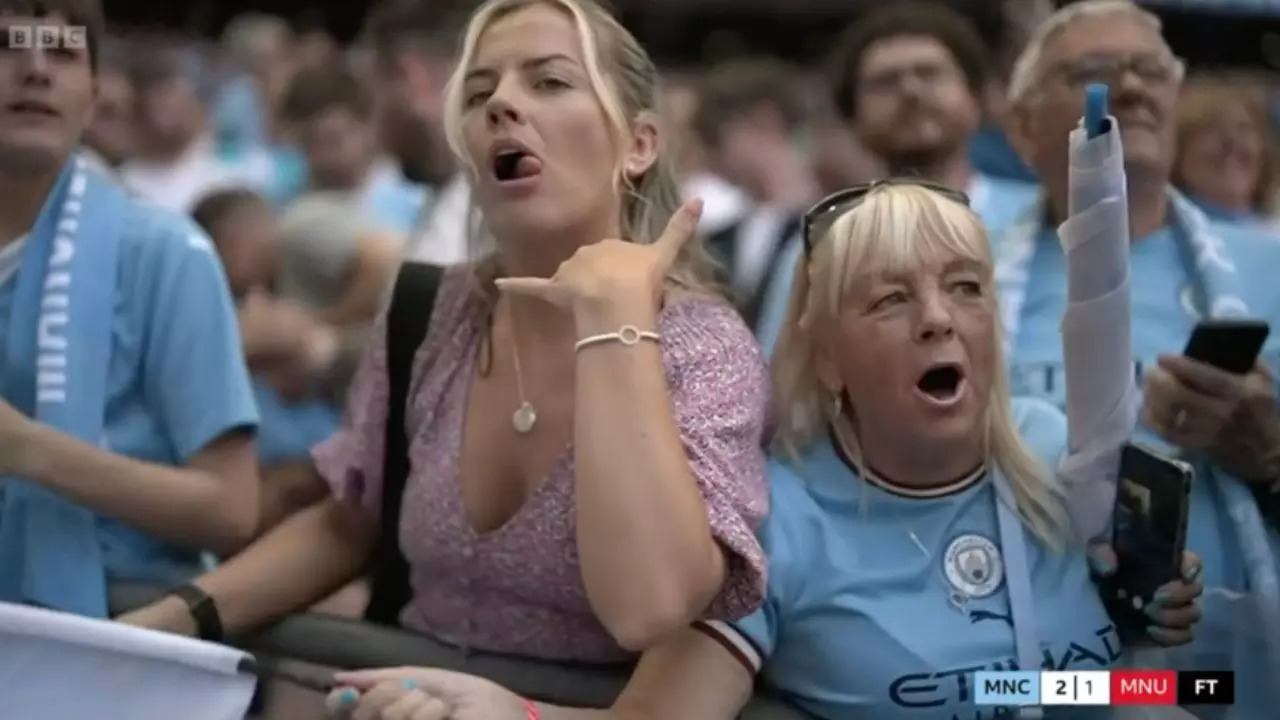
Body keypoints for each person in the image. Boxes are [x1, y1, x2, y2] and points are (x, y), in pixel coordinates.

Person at [321, 180, 1203, 720]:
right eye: (890, 299)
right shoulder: (775, 520)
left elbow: (1129, 693)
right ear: (825, 355)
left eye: (965, 288)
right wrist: (508, 714)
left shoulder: (1057, 452)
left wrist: (1152, 657)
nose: (939, 316)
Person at [121, 0, 769, 662]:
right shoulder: (429, 311)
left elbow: (653, 608)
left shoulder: (703, 348)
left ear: (638, 144)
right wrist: (176, 618)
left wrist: (614, 323)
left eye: (549, 81)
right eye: (480, 92)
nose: (502, 106)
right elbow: (351, 521)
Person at [999, 0, 1280, 712]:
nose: (1129, 89)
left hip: (1228, 676)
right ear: (1023, 126)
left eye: (1150, 70)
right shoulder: (960, 276)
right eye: (1093, 72)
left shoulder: (1268, 268)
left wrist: (1269, 454)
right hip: (1024, 665)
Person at [0, 0, 260, 617]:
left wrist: (26, 450)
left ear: (93, 97)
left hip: (109, 637)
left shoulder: (167, 253)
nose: (35, 69)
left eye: (61, 52)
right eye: (7, 44)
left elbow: (230, 509)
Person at [755, 2, 1037, 351]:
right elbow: (782, 384)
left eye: (930, 73)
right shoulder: (822, 245)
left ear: (977, 98)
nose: (911, 91)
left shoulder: (1044, 219)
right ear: (852, 117)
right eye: (884, 82)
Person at [278, 64, 427, 239]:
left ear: (366, 127)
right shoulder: (292, 208)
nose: (321, 158)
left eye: (333, 140)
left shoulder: (416, 203)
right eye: (307, 145)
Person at [1173, 77, 1280, 230]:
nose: (1231, 140)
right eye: (1211, 128)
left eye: (1244, 128)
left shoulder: (1274, 233)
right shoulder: (1158, 231)